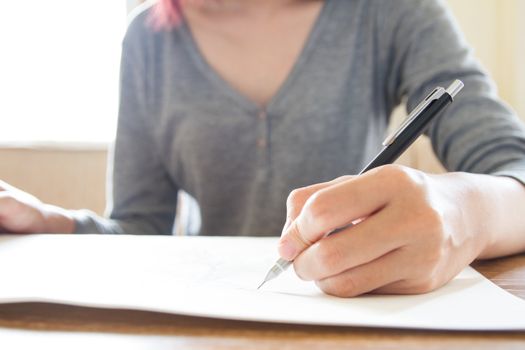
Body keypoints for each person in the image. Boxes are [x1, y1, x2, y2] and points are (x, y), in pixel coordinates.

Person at [1, 0, 525, 297]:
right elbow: (141, 229)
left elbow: (513, 167)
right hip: (200, 326)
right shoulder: (148, 39)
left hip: (354, 316)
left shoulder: (389, 13)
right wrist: (52, 224)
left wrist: (463, 210)